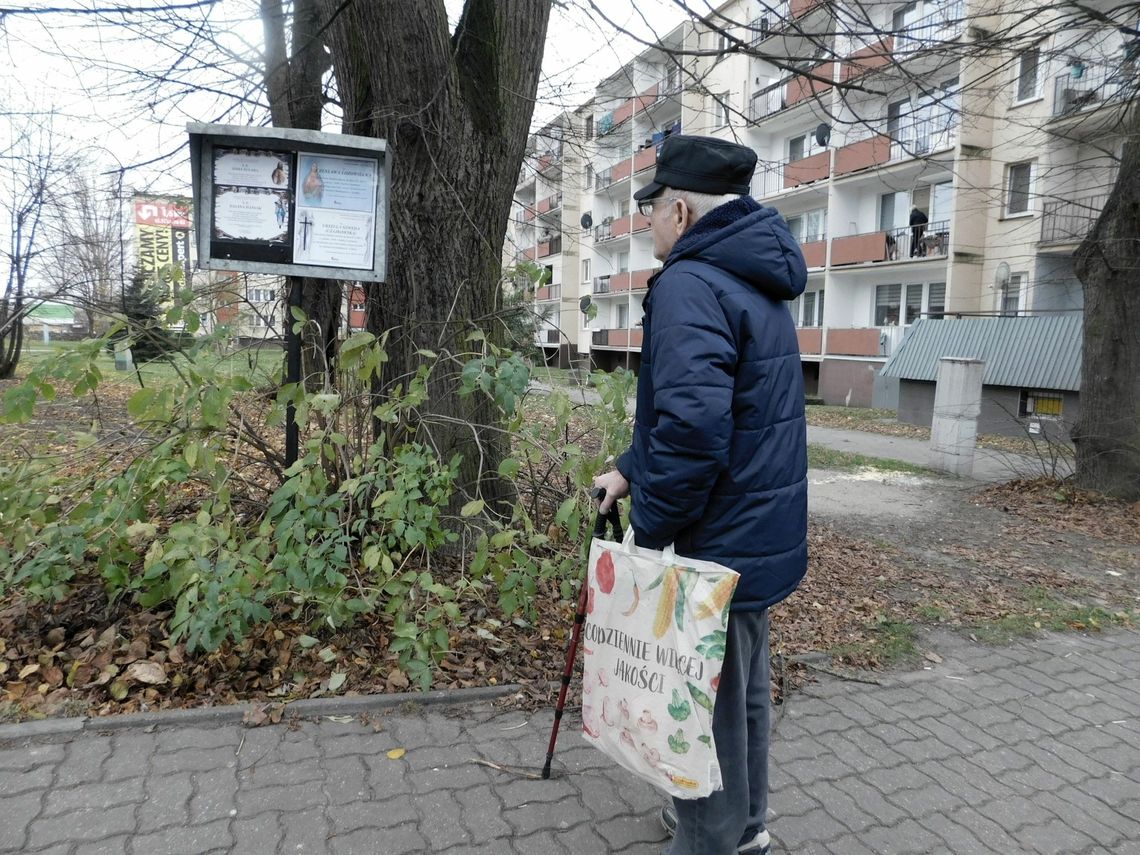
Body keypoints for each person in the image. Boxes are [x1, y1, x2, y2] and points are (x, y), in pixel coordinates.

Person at [593, 134, 808, 855]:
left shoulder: (691, 283)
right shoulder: (751, 274)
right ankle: (744, 827)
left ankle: (713, 840)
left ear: (680, 210)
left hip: (720, 533)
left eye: (651, 208)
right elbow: (703, 406)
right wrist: (630, 465)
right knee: (742, 693)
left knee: (705, 699)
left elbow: (691, 428)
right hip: (760, 528)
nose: (646, 222)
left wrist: (648, 527)